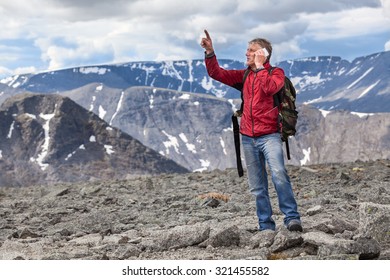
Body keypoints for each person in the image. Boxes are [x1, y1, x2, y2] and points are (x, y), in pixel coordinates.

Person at [200, 30, 302, 232]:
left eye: (251, 50)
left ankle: (292, 218)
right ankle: (266, 226)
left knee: (279, 174)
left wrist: (260, 67)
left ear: (262, 54)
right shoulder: (244, 75)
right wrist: (210, 52)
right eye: (247, 50)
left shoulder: (276, 73)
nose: (246, 53)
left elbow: (269, 89)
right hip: (248, 138)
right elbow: (216, 73)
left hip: (270, 135)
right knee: (257, 187)